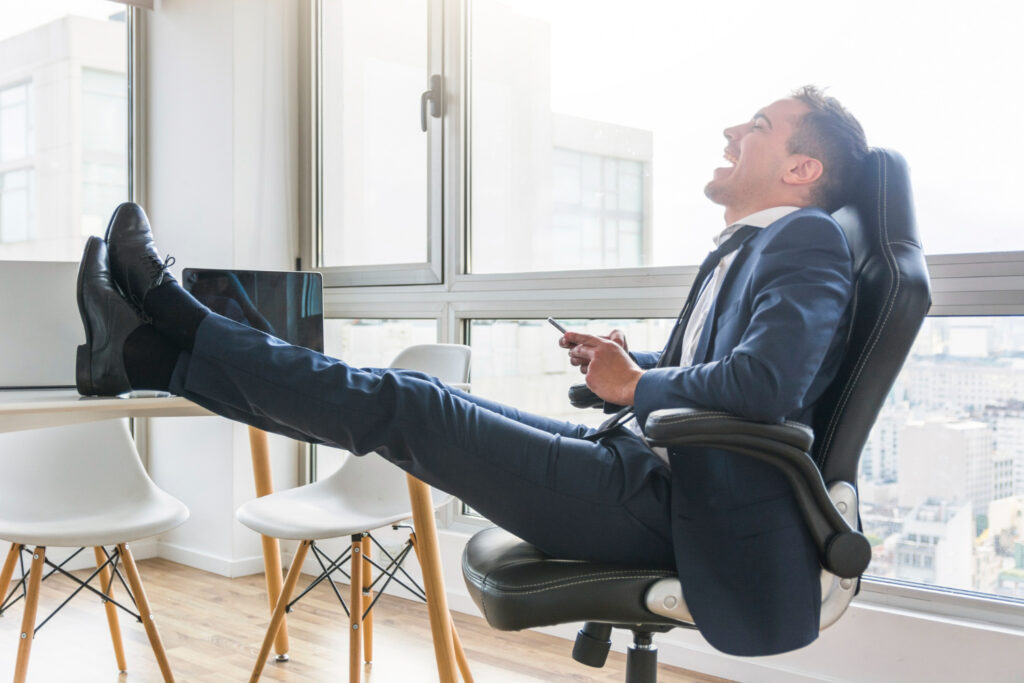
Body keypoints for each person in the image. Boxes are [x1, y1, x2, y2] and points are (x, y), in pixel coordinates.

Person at [74, 85, 867, 657]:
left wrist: (635, 384)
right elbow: (725, 369)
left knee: (408, 408)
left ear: (802, 170)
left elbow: (767, 387)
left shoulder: (807, 240)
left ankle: (168, 322)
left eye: (759, 126)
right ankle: (146, 354)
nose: (733, 129)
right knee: (422, 396)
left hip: (670, 500)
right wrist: (628, 366)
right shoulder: (755, 247)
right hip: (641, 460)